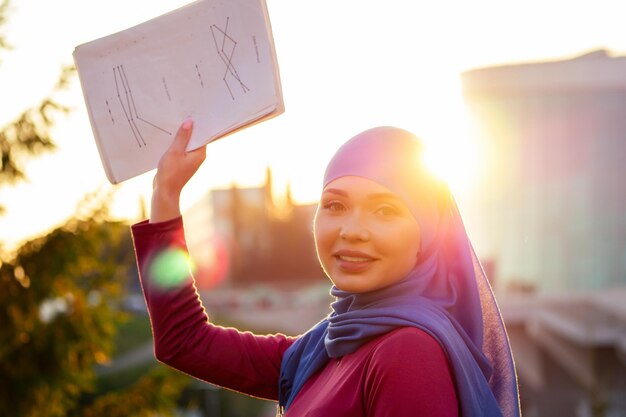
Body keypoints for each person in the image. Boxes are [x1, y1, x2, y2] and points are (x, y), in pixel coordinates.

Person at [131, 118, 521, 417]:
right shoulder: (327, 346)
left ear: (428, 233)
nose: (352, 231)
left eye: (385, 210)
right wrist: (166, 194)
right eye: (335, 205)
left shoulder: (408, 354)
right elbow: (184, 341)